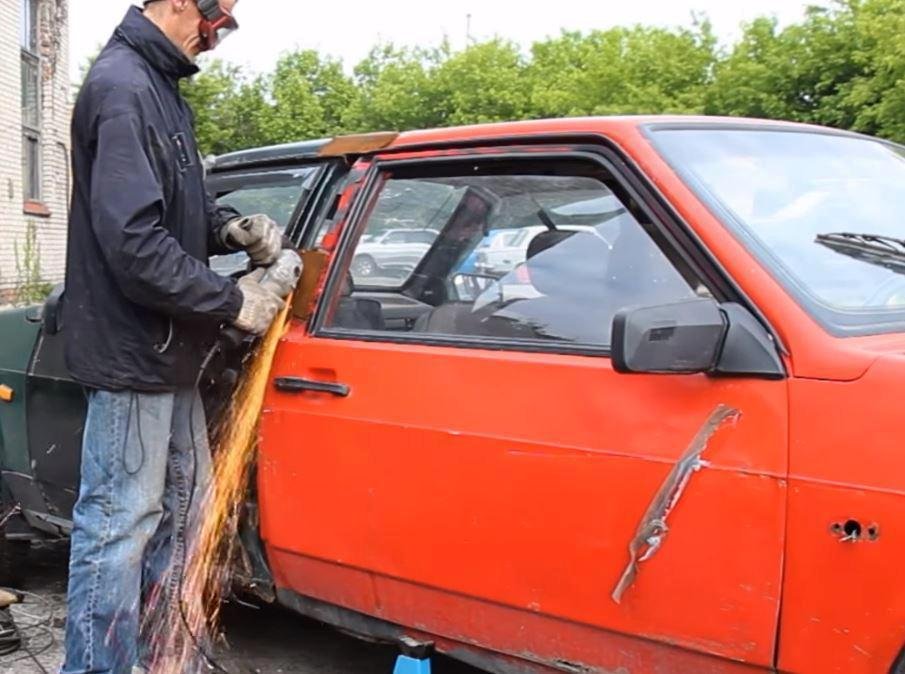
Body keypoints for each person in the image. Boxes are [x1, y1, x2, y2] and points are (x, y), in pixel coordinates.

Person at [60, 2, 297, 672]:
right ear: (169, 1)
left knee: (182, 517)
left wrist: (225, 228)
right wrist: (232, 300)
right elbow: (134, 245)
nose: (216, 35)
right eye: (213, 16)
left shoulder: (158, 90)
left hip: (171, 354)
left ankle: (161, 659)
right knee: (118, 528)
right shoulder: (123, 88)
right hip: (134, 355)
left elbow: (170, 210)